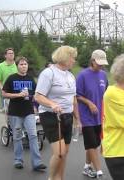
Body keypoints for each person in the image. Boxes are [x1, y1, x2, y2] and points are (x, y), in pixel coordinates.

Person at [34, 46, 81, 180]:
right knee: (59, 153)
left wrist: (77, 118)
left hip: (67, 116)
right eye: (73, 58)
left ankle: (60, 178)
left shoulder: (71, 75)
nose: (74, 61)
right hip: (51, 116)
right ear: (65, 57)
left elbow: (73, 98)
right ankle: (51, 178)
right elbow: (38, 96)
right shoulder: (49, 73)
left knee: (64, 153)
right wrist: (52, 104)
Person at [2, 56, 47, 171]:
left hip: (28, 112)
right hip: (15, 112)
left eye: (25, 64)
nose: (24, 66)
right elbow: (4, 93)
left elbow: (36, 94)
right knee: (17, 137)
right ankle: (18, 160)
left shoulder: (31, 79)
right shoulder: (11, 78)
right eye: (21, 64)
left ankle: (37, 163)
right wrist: (18, 95)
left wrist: (35, 105)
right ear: (17, 66)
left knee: (33, 135)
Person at [76, 49, 109, 178]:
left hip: (99, 116)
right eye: (99, 62)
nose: (101, 65)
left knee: (94, 144)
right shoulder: (82, 75)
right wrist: (89, 103)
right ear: (92, 60)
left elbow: (105, 93)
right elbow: (77, 95)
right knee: (91, 144)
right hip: (86, 116)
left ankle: (86, 166)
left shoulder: (103, 75)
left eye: (103, 63)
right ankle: (99, 171)